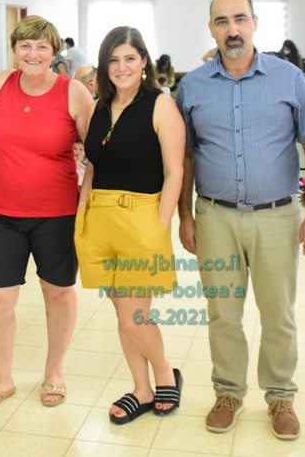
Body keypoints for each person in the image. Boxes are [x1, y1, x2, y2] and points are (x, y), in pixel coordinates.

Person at [175, 0, 305, 438]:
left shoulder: (289, 78)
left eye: (240, 19)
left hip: (277, 217)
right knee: (223, 312)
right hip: (215, 216)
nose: (232, 30)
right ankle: (228, 392)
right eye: (222, 21)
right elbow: (185, 156)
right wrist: (186, 217)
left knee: (278, 313)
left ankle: (280, 396)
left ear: (255, 23)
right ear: (211, 29)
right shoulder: (193, 85)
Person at [0, 15, 93, 412]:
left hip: (57, 213)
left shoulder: (73, 92)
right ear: (14, 51)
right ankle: (2, 379)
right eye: (25, 45)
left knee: (58, 294)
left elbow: (99, 150)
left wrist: (87, 196)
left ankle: (54, 372)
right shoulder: (1, 83)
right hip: (3, 214)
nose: (33, 53)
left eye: (42, 46)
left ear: (54, 52)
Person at [76, 26, 185, 424]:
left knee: (132, 317)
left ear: (144, 62)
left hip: (142, 218)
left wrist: (160, 224)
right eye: (114, 60)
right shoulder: (99, 106)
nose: (122, 67)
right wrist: (82, 210)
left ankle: (165, 372)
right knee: (121, 312)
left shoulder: (160, 105)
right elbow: (93, 164)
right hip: (99, 219)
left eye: (130, 58)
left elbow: (175, 172)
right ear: (105, 65)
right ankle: (141, 389)